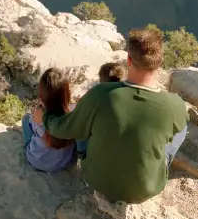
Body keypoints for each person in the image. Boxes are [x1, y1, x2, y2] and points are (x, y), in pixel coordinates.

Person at [33, 28, 188, 204]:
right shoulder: (175, 105)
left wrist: (45, 118)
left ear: (129, 60)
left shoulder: (100, 94)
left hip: (98, 181)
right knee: (182, 128)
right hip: (147, 188)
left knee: (91, 121)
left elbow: (65, 129)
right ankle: (155, 166)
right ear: (160, 62)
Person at [21, 68, 77, 173]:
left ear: (42, 97)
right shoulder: (74, 112)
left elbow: (35, 127)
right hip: (64, 163)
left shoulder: (39, 115)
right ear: (66, 94)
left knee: (25, 119)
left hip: (36, 161)